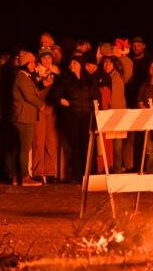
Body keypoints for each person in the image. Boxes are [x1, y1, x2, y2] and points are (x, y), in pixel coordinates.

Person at [51, 54, 98, 183]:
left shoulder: (89, 80)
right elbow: (54, 95)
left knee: (87, 145)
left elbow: (96, 97)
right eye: (71, 63)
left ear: (81, 65)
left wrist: (98, 114)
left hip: (86, 117)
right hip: (71, 116)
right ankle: (77, 176)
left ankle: (89, 175)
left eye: (75, 63)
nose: (72, 65)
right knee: (75, 146)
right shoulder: (65, 79)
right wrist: (61, 101)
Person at [9, 50, 43, 186]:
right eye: (33, 62)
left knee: (19, 148)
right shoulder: (22, 77)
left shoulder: (25, 76)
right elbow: (30, 96)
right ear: (27, 63)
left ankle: (16, 176)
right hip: (24, 117)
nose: (34, 64)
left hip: (23, 116)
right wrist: (42, 105)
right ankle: (24, 177)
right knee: (24, 148)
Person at [31, 48, 60, 182]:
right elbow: (34, 92)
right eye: (44, 59)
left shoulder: (56, 72)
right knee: (38, 140)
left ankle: (50, 172)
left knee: (51, 141)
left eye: (49, 58)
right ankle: (38, 171)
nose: (47, 61)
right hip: (40, 109)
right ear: (40, 60)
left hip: (52, 109)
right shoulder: (35, 72)